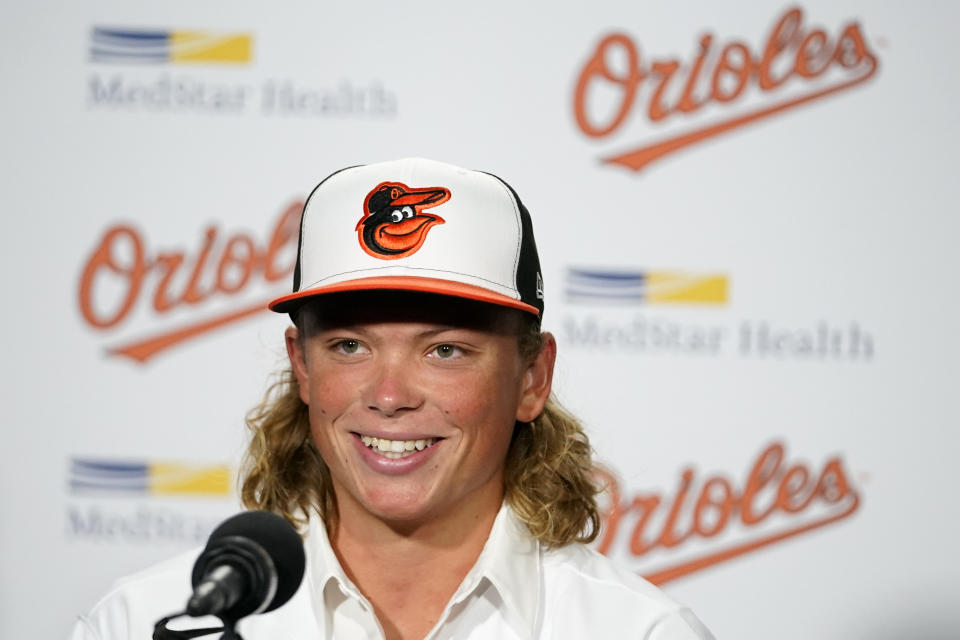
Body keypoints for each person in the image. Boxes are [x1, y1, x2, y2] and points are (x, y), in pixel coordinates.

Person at [70, 158, 714, 639]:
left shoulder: (640, 631)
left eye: (445, 350)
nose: (388, 395)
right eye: (350, 346)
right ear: (301, 366)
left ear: (531, 379)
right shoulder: (145, 623)